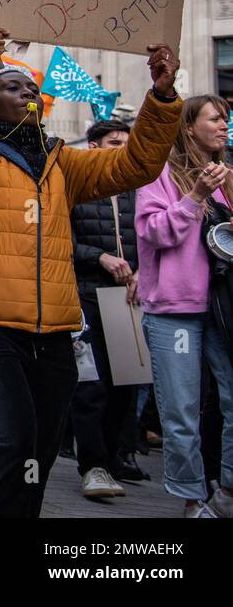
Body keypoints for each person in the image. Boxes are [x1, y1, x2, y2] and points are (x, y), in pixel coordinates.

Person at [0, 30, 180, 518]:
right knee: (9, 441)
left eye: (30, 88)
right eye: (13, 86)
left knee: (37, 452)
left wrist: (162, 97)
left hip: (54, 332)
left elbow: (137, 164)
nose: (27, 92)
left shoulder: (63, 161)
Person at [136, 95, 233, 517]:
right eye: (215, 118)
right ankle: (192, 499)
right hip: (175, 309)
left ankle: (227, 489)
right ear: (189, 127)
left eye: (227, 119)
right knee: (181, 410)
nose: (224, 125)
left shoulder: (230, 177)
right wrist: (195, 195)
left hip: (223, 308)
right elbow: (154, 232)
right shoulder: (159, 172)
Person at [68, 119, 148, 500]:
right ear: (94, 146)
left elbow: (149, 240)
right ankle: (93, 465)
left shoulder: (138, 189)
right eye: (115, 142)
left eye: (126, 143)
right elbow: (60, 242)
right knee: (91, 383)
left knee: (126, 383)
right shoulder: (77, 186)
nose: (123, 148)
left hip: (127, 298)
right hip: (85, 295)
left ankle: (117, 455)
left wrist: (142, 274)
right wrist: (98, 257)